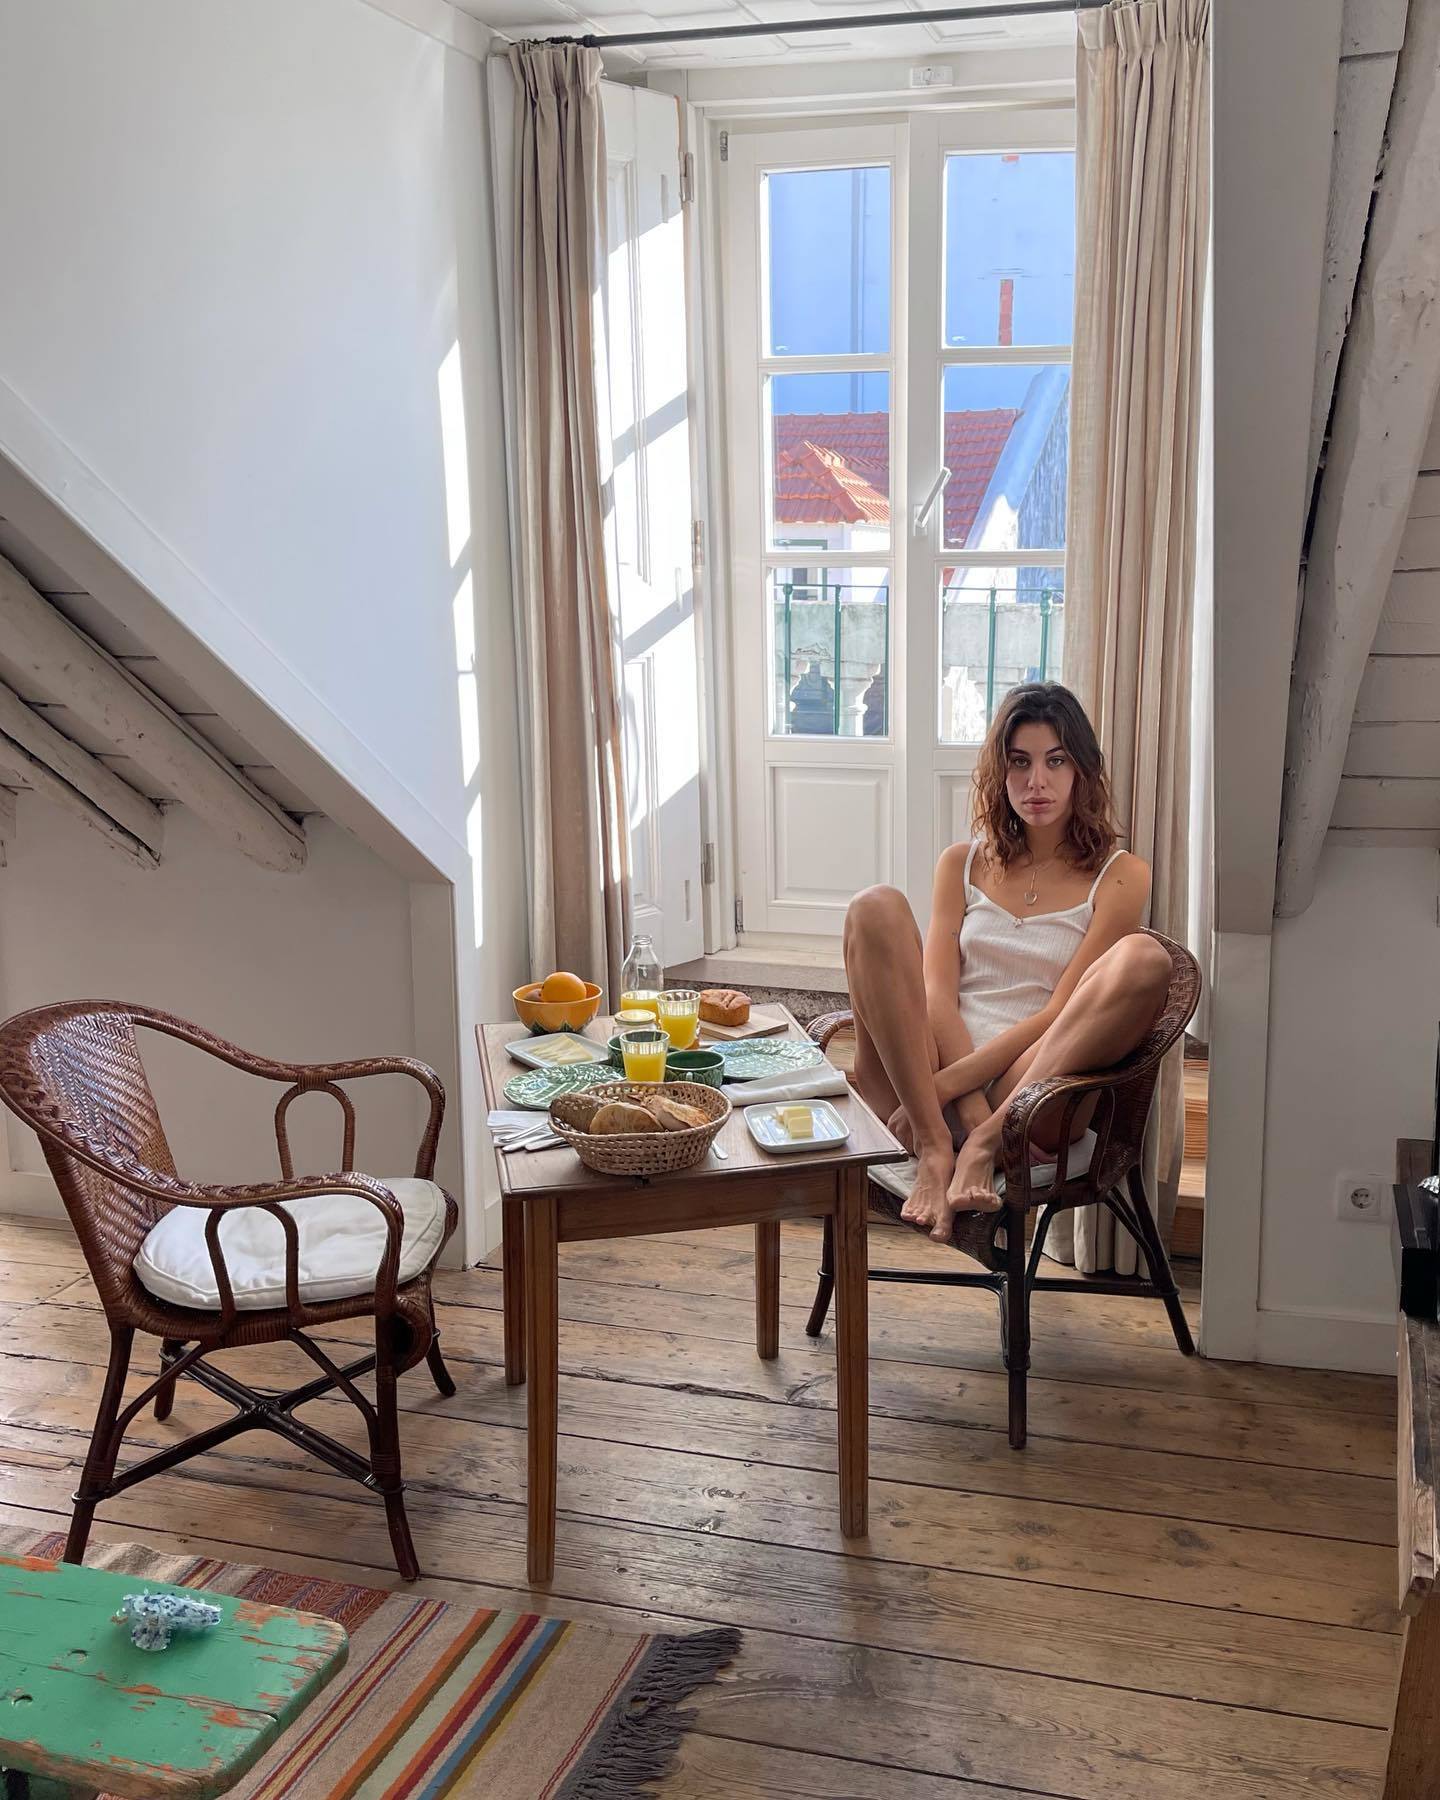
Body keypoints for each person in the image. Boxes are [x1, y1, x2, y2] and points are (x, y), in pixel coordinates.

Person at [842, 682, 1171, 1245]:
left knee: (1145, 958)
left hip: (1034, 1091)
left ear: (1081, 770)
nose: (1036, 781)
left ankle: (986, 1144)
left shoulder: (1121, 874)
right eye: (1020, 762)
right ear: (1001, 771)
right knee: (874, 906)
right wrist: (951, 1101)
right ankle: (936, 1148)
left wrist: (978, 1112)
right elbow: (938, 996)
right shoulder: (961, 863)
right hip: (920, 1083)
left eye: (1055, 761)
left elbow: (1063, 1012)